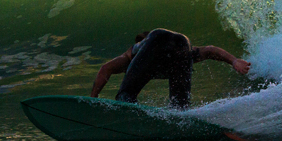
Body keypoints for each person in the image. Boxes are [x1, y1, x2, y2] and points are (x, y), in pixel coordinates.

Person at [89, 28, 251, 109]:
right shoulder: (183, 51)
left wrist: (93, 99)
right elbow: (209, 50)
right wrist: (234, 61)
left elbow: (105, 69)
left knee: (125, 96)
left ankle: (129, 115)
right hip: (183, 43)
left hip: (157, 35)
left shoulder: (133, 53)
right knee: (179, 109)